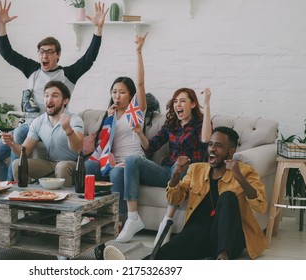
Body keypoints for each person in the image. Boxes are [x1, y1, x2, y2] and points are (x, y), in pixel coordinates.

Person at [104, 126, 268, 260]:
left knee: (228, 197)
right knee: (167, 252)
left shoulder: (245, 172)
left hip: (230, 238)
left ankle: (222, 257)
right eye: (210, 144)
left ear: (231, 151)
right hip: (200, 232)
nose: (212, 149)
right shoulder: (197, 169)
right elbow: (174, 198)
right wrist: (176, 174)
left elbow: (260, 206)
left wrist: (239, 176)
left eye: (218, 145)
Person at [0, 1, 108, 181]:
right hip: (32, 125)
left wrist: (98, 29)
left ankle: (14, 182)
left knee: (20, 132)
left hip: (51, 126)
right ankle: (5, 187)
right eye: (42, 52)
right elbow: (7, 54)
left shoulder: (68, 74)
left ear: (58, 55)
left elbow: (89, 58)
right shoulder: (32, 70)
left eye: (50, 52)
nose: (45, 56)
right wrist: (1, 25)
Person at [115, 88, 213, 243]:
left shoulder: (201, 124)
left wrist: (206, 105)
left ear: (193, 104)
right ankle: (133, 218)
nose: (178, 104)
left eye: (182, 101)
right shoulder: (171, 124)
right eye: (175, 101)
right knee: (132, 160)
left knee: (181, 163)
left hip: (186, 174)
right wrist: (140, 133)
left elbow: (206, 138)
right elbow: (150, 147)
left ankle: (166, 221)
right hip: (166, 172)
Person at [85, 33, 148, 227]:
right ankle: (90, 211)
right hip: (112, 160)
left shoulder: (136, 111)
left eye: (122, 92)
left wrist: (138, 52)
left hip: (130, 162)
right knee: (89, 167)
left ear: (130, 96)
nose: (117, 96)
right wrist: (107, 119)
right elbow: (101, 145)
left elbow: (140, 83)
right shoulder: (109, 114)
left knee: (116, 174)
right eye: (114, 92)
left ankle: (119, 219)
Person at [1, 81, 84, 187]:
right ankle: (22, 200)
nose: (49, 100)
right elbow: (25, 151)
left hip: (73, 165)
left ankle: (66, 201)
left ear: (65, 100)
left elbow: (78, 149)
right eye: (46, 95)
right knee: (18, 164)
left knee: (62, 166)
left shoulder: (74, 120)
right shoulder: (38, 122)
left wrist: (68, 130)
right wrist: (12, 144)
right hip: (50, 164)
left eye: (55, 96)